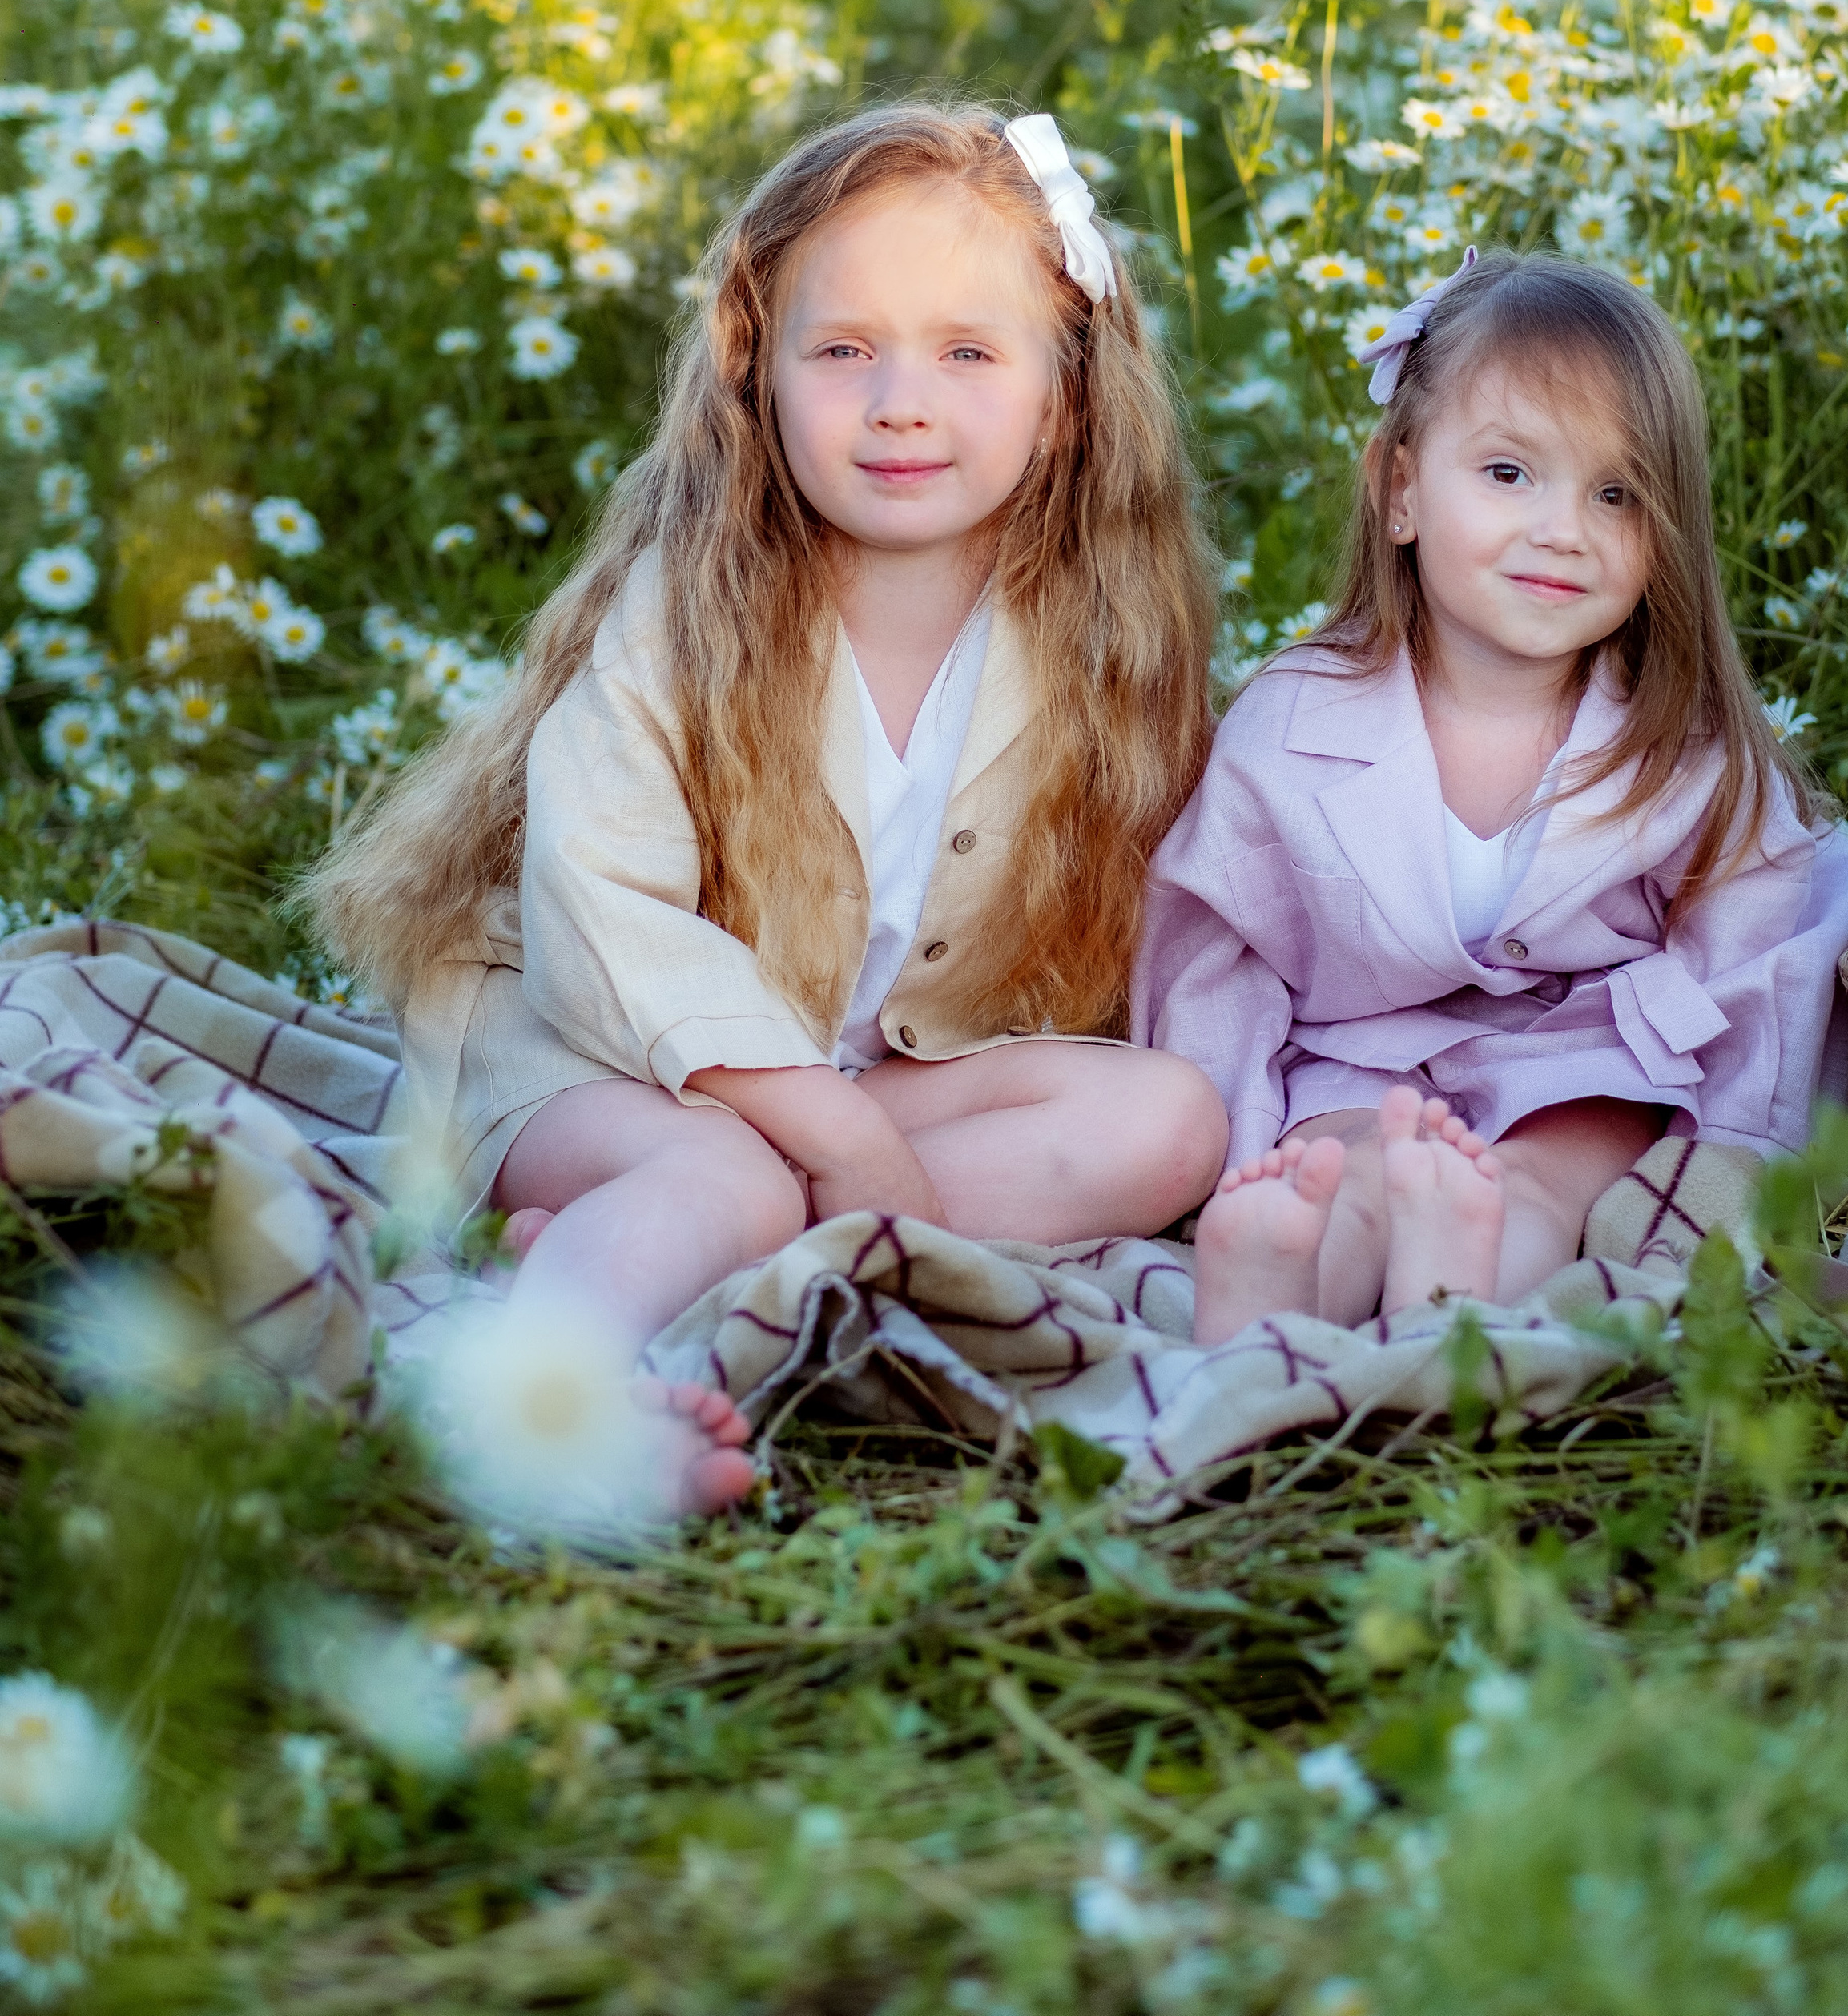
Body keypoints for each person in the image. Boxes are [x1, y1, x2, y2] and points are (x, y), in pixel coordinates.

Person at [309, 103, 1226, 1508]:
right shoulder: (697, 604)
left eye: (970, 352)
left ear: (1071, 387)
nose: (901, 402)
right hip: (596, 1051)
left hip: (871, 1065)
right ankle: (544, 1403)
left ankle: (647, 1255)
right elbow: (596, 910)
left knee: (1167, 1121)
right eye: (844, 350)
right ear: (759, 372)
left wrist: (857, 1120)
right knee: (728, 1175)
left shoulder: (1102, 637)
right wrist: (843, 1140)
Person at [1134, 247, 1848, 1344]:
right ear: (1400, 490)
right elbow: (1216, 946)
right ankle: (1278, 1288)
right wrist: (1238, 1137)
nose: (1561, 529)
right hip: (1361, 1058)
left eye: (1615, 493)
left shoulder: (1683, 742)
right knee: (1343, 1176)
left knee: (1530, 1185)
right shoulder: (1295, 725)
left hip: (1584, 1058)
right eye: (1507, 474)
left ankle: (1457, 1305)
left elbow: (1759, 949)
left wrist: (1735, 1150)